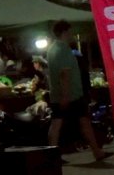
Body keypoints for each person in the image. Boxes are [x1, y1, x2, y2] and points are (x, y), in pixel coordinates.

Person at [43, 20, 108, 164]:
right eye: (70, 32)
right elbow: (64, 74)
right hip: (70, 94)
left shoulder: (51, 49)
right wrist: (65, 95)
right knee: (83, 122)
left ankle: (52, 155)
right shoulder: (63, 50)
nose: (72, 35)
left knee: (57, 124)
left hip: (58, 94)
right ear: (64, 32)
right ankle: (97, 152)